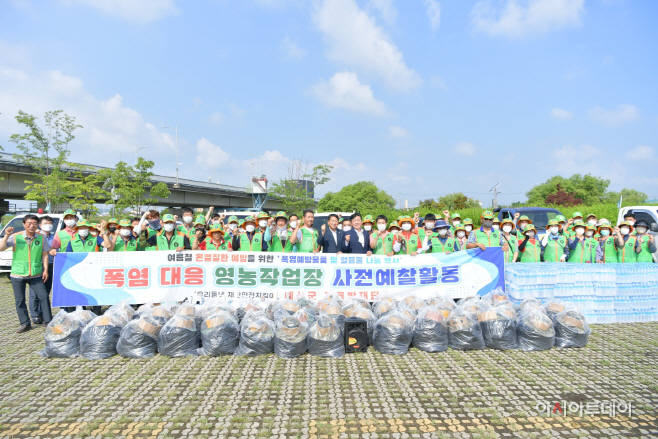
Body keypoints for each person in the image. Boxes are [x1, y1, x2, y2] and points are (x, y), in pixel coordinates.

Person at [0, 214, 52, 333]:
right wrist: (7, 235)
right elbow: (1, 248)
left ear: (38, 225)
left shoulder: (41, 237)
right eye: (29, 223)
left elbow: (45, 254)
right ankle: (25, 323)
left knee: (43, 296)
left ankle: (48, 321)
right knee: (20, 300)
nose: (31, 225)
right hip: (18, 274)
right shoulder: (15, 237)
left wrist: (45, 270)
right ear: (24, 224)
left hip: (35, 274)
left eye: (34, 223)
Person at [30, 215, 56, 325]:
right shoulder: (36, 236)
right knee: (34, 293)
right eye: (45, 223)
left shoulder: (54, 237)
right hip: (38, 267)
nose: (48, 225)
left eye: (50, 223)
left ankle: (43, 313)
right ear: (40, 225)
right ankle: (35, 315)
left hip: (50, 266)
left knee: (45, 292)